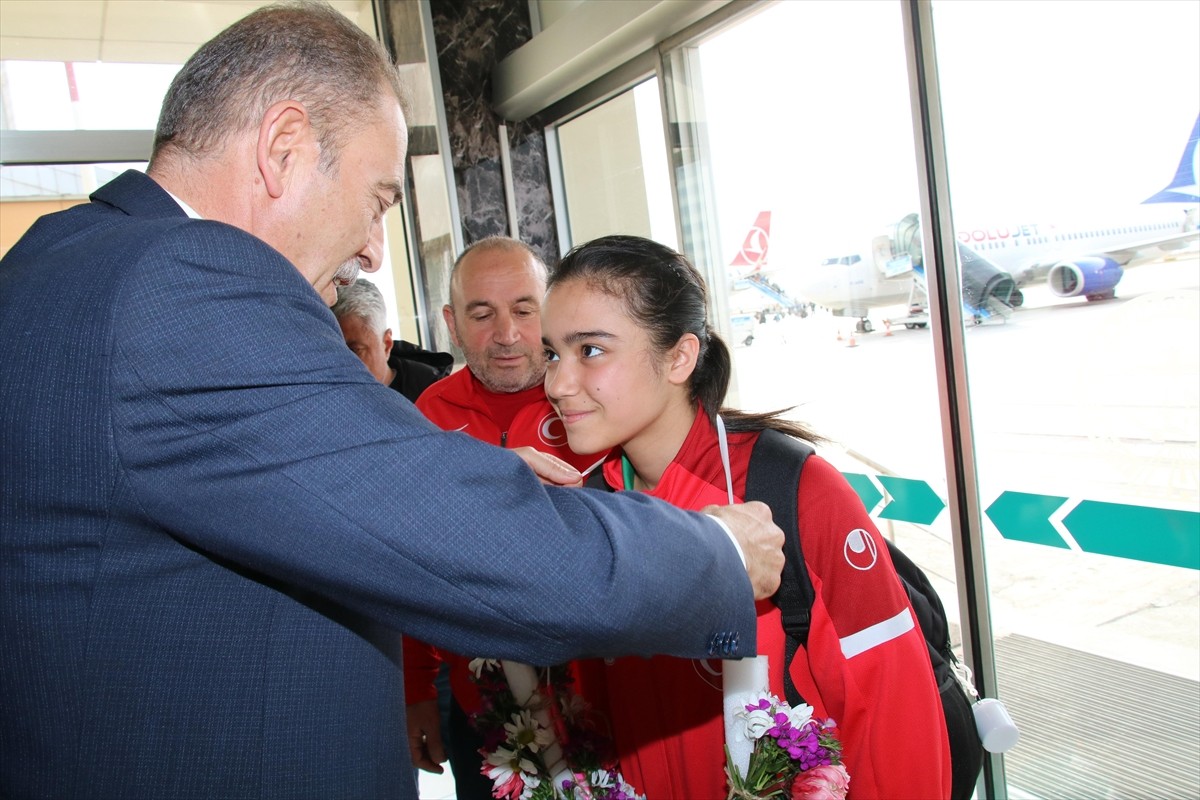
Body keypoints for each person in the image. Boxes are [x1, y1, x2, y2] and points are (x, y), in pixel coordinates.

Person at [0, 4, 787, 798]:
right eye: (377, 199)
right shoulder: (184, 286)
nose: (376, 246)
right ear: (284, 149)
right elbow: (459, 537)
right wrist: (712, 551)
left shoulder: (61, 258)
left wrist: (451, 481)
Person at [541, 235, 953, 799]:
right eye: (553, 353)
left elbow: (889, 709)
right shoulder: (589, 504)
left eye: (590, 350)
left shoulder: (791, 490)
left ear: (680, 356)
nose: (557, 384)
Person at [404, 235, 599, 798]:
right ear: (452, 323)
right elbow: (410, 563)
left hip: (599, 698)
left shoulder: (593, 400)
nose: (508, 335)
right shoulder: (428, 414)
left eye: (523, 309)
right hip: (482, 709)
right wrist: (417, 688)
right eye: (482, 314)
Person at [332, 277, 453, 402]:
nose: (341, 363)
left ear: (387, 344)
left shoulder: (434, 399)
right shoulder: (327, 400)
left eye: (354, 350)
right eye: (331, 352)